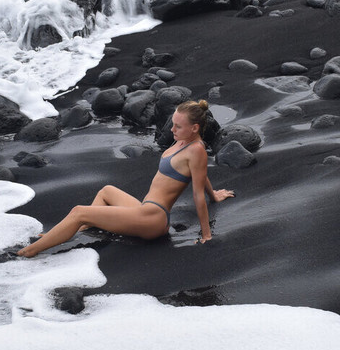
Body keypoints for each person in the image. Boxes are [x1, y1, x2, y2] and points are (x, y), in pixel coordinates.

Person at [17, 99, 235, 258]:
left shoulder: (196, 150)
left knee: (79, 212)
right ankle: (79, 228)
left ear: (194, 128)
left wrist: (206, 235)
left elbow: (197, 192)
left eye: (178, 126)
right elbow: (201, 176)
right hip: (145, 209)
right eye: (173, 123)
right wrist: (214, 195)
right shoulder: (182, 141)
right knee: (106, 191)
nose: (172, 129)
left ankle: (29, 251)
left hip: (154, 220)